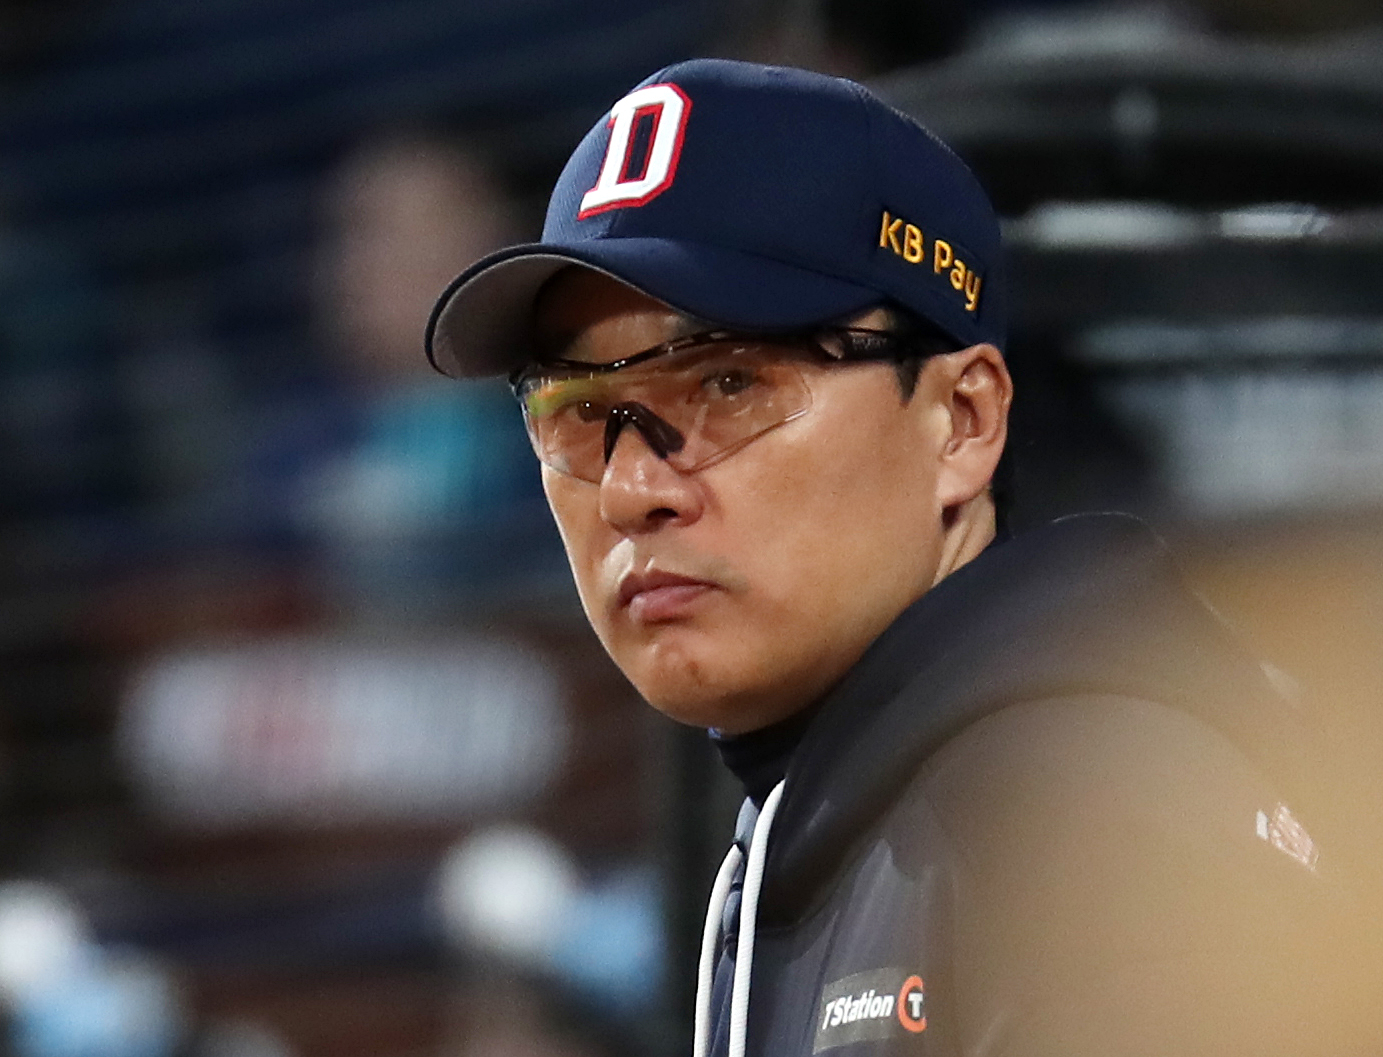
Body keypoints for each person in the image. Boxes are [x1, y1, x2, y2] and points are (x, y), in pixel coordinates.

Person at [423, 59, 1380, 1057]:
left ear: (961, 421)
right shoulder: (856, 808)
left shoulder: (1096, 824)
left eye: (731, 384)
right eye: (577, 413)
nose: (630, 489)